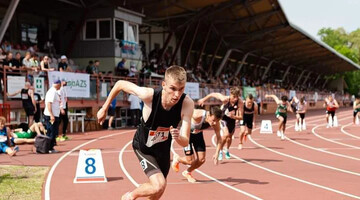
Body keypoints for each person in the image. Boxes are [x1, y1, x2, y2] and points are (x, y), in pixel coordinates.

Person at [97, 66, 194, 200]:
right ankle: (130, 196)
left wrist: (178, 137)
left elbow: (186, 141)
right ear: (164, 85)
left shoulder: (187, 104)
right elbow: (120, 84)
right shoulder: (149, 95)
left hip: (163, 150)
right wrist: (104, 108)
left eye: (181, 89)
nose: (177, 94)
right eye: (173, 88)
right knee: (158, 185)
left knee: (158, 191)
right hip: (143, 147)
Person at [171, 106, 223, 183]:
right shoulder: (196, 114)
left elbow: (219, 138)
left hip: (198, 134)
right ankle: (178, 159)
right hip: (187, 135)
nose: (214, 123)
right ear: (208, 115)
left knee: (201, 159)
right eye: (213, 120)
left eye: (217, 121)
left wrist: (217, 153)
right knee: (190, 161)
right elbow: (183, 111)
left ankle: (187, 172)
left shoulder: (216, 123)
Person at [197, 87, 243, 160]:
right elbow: (213, 94)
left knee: (229, 137)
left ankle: (227, 150)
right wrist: (203, 99)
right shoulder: (225, 99)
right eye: (234, 97)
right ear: (230, 94)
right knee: (226, 134)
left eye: (237, 97)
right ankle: (220, 150)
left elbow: (241, 117)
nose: (235, 99)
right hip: (223, 118)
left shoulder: (240, 102)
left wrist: (233, 116)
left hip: (232, 120)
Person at [44, 80, 61, 153]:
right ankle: (49, 148)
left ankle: (50, 147)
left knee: (53, 131)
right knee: (51, 131)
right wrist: (51, 115)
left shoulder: (54, 92)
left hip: (54, 115)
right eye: (60, 85)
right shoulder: (52, 92)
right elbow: (49, 103)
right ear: (58, 84)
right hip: (51, 115)